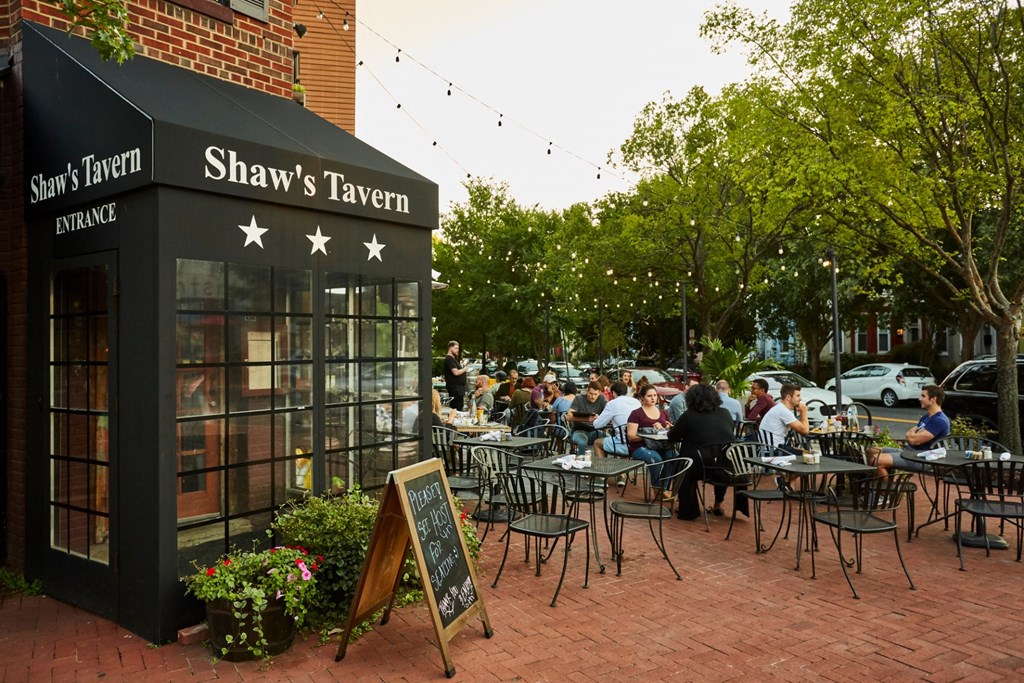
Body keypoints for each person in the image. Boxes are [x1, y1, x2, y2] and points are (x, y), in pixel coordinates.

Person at [668, 383, 747, 519]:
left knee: (683, 463)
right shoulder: (725, 413)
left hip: (698, 466)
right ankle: (717, 504)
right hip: (724, 467)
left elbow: (673, 436)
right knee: (722, 456)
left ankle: (688, 509)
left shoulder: (689, 415)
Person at [868, 385, 950, 476]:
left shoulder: (939, 420)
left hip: (921, 458)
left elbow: (914, 440)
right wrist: (913, 434)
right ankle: (878, 481)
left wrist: (912, 434)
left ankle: (884, 489)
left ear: (933, 399)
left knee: (877, 460)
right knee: (873, 451)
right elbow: (910, 435)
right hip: (909, 452)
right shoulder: (927, 416)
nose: (919, 399)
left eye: (923, 396)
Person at [626, 384, 674, 494]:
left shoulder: (663, 413)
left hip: (660, 445)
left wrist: (664, 429)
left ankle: (664, 487)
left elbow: (668, 430)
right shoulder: (636, 413)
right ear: (642, 397)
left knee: (674, 457)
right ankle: (656, 487)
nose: (653, 398)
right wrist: (650, 433)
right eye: (649, 396)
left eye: (655, 395)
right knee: (656, 459)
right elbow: (631, 436)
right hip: (640, 447)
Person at [593, 381, 641, 461]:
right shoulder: (636, 402)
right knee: (619, 438)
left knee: (597, 443)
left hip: (624, 444)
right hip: (638, 442)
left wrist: (598, 418)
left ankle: (603, 470)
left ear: (613, 393)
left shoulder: (612, 404)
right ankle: (621, 472)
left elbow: (597, 425)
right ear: (626, 391)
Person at [758, 383, 810, 454]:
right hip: (774, 451)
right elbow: (805, 431)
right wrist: (803, 412)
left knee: (804, 452)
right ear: (788, 397)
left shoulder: (779, 408)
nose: (800, 399)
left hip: (769, 448)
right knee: (809, 455)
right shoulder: (783, 411)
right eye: (798, 396)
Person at [566, 381, 608, 455]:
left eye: (595, 394)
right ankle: (582, 462)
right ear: (587, 391)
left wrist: (601, 417)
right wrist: (586, 419)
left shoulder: (601, 398)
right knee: (582, 443)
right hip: (579, 430)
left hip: (595, 431)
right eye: (591, 393)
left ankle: (603, 462)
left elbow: (608, 413)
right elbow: (568, 416)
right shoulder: (579, 399)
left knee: (610, 440)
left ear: (599, 393)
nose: (593, 397)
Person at [443, 340, 468, 411]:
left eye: (458, 348)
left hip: (458, 388)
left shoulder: (453, 359)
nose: (457, 350)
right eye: (456, 348)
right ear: (450, 348)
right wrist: (465, 369)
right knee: (457, 408)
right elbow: (456, 372)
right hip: (455, 388)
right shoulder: (449, 359)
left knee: (459, 406)